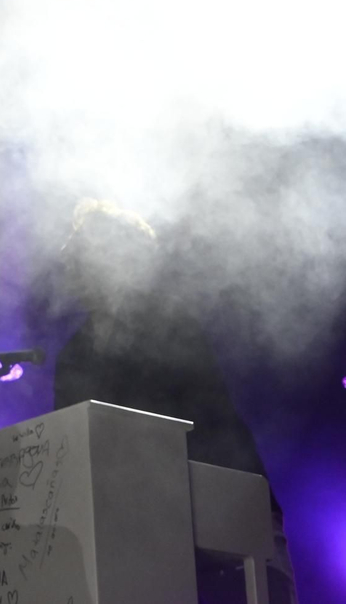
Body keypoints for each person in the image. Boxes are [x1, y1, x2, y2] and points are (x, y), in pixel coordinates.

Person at [49, 199, 295, 604]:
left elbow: (195, 423)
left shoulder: (170, 325)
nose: (65, 258)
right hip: (150, 528)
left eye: (78, 248)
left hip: (228, 511)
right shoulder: (73, 353)